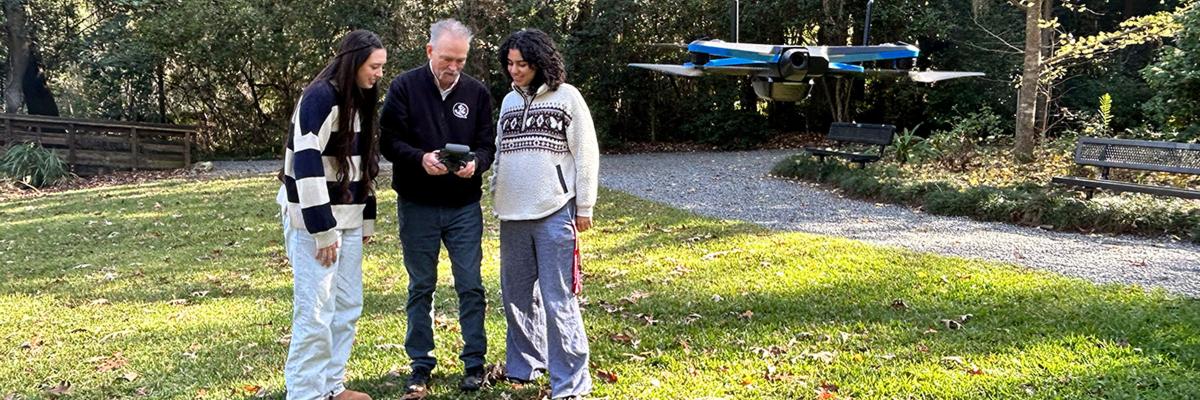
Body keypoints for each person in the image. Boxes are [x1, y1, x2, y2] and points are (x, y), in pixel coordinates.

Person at [378, 19, 496, 396]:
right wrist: (419, 159)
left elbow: (487, 145)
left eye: (461, 60)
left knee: (470, 285)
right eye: (447, 58)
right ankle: (420, 365)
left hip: (464, 206)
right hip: (417, 204)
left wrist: (476, 162)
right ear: (429, 51)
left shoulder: (476, 93)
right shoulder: (404, 87)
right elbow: (388, 142)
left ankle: (474, 363)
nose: (453, 67)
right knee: (421, 286)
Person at [277, 29, 385, 400]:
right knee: (316, 311)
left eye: (382, 67)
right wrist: (323, 230)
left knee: (347, 305)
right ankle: (305, 393)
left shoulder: (360, 98)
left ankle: (330, 387)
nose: (378, 74)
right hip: (315, 219)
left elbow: (361, 165)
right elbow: (304, 164)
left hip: (348, 218)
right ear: (354, 62)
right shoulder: (319, 98)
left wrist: (363, 219)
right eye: (374, 66)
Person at [491, 28, 599, 400]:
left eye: (522, 64)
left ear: (540, 63)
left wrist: (583, 206)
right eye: (510, 63)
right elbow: (500, 154)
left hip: (555, 212)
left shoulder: (567, 98)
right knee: (516, 296)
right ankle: (524, 366)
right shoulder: (507, 103)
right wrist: (496, 194)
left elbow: (586, 154)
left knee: (558, 297)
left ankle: (570, 381)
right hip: (512, 215)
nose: (515, 70)